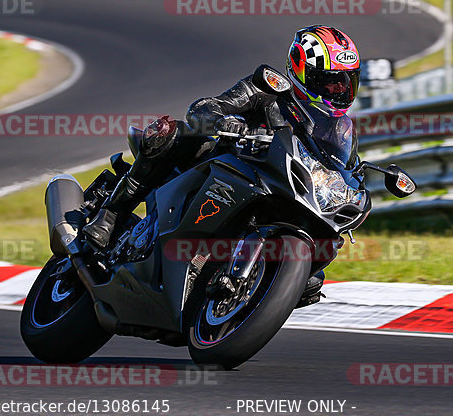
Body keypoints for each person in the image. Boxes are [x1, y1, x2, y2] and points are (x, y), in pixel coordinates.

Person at [83, 24, 361, 306]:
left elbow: (343, 166)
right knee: (173, 133)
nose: (340, 89)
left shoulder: (337, 129)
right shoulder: (269, 89)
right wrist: (224, 122)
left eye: (347, 81)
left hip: (277, 191)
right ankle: (110, 215)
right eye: (331, 81)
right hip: (225, 171)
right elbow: (203, 108)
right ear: (303, 70)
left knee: (314, 275)